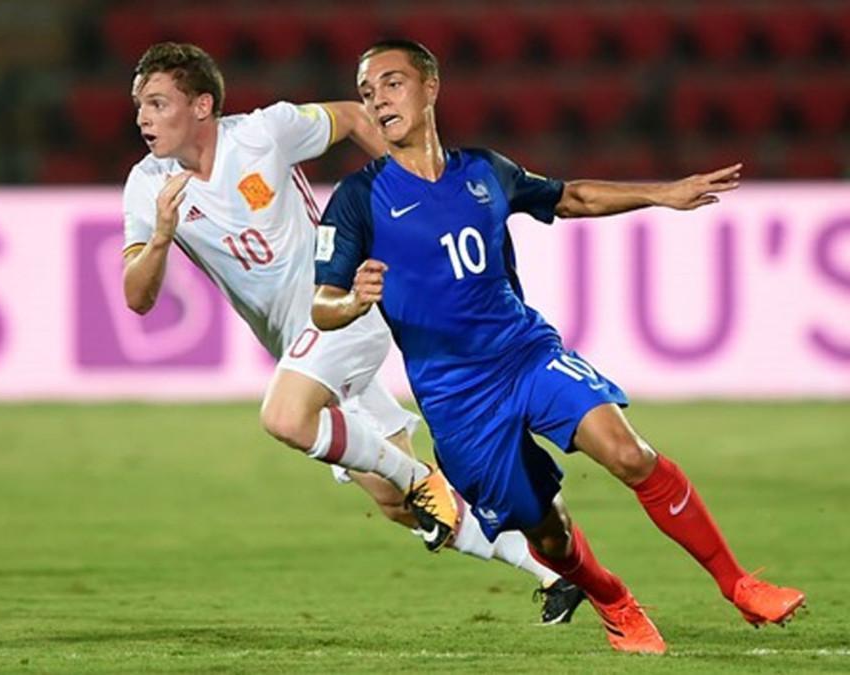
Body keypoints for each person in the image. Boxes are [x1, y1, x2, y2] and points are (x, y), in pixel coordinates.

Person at [312, 39, 806, 654]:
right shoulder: (359, 199)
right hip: (456, 399)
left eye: (391, 83)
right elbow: (321, 304)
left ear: (429, 89)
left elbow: (567, 198)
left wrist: (659, 193)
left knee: (628, 453)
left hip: (524, 353)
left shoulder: (485, 171)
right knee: (549, 536)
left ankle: (739, 584)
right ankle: (613, 600)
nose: (377, 100)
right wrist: (353, 299)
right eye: (366, 92)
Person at [121, 41, 585, 624]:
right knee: (396, 504)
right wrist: (162, 235)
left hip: (341, 310)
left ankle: (423, 479)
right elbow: (136, 297)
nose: (142, 116)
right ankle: (557, 575)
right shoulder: (147, 186)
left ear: (202, 106)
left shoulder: (266, 133)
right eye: (140, 104)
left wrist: (408, 197)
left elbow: (355, 117)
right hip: (299, 347)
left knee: (287, 418)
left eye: (158, 103)